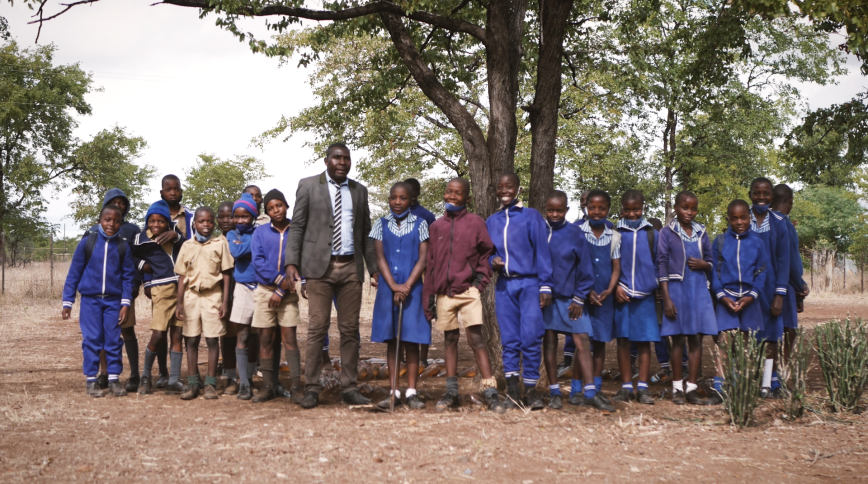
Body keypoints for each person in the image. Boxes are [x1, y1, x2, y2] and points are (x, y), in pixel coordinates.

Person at [280, 143, 380, 409]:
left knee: (350, 330)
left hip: (350, 267)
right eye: (337, 157)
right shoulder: (308, 185)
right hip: (318, 269)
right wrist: (291, 262)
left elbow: (366, 233)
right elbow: (297, 226)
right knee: (317, 328)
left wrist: (374, 269)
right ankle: (312, 388)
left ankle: (349, 387)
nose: (342, 162)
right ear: (326, 161)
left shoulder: (359, 191)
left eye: (347, 158)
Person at [422, 177, 504, 413]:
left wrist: (478, 284)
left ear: (467, 198)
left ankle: (490, 390)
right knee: (449, 339)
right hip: (443, 293)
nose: (452, 197)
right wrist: (429, 296)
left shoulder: (476, 223)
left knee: (476, 338)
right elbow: (431, 264)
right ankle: (451, 392)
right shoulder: (436, 226)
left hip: (468, 291)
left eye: (458, 194)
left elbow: (486, 254)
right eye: (449, 192)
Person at [541, 191, 614, 412]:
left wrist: (579, 298)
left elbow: (585, 268)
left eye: (559, 210)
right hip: (548, 299)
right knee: (550, 344)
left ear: (567, 211)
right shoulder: (540, 231)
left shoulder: (575, 232)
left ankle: (589, 391)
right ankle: (554, 392)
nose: (554, 214)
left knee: (583, 341)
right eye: (551, 210)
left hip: (572, 300)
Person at [486, 173, 553, 410]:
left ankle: (532, 391)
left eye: (509, 187)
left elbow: (543, 252)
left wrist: (545, 286)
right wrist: (493, 260)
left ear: (518, 189)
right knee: (510, 339)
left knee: (532, 337)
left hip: (530, 284)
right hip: (505, 286)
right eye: (500, 187)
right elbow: (487, 253)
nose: (504, 190)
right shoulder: (492, 221)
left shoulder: (531, 216)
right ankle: (513, 390)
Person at [62, 204, 136, 397]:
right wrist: (67, 302)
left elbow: (128, 277)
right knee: (92, 340)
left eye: (116, 221)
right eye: (107, 220)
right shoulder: (87, 243)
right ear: (99, 221)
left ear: (121, 223)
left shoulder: (122, 246)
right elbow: (74, 273)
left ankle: (113, 379)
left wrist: (125, 304)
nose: (111, 224)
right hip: (90, 301)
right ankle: (91, 380)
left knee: (113, 341)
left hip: (113, 302)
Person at [370, 182, 430, 410]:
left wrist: (406, 286)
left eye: (403, 198)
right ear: (388, 199)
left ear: (411, 200)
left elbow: (423, 258)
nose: (397, 202)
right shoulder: (380, 224)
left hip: (413, 289)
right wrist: (394, 286)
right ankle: (393, 390)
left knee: (411, 340)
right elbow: (380, 257)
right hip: (388, 289)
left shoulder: (421, 224)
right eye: (393, 197)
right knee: (393, 340)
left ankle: (412, 391)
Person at [709, 199, 770, 405]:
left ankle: (742, 387)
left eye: (743, 217)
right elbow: (713, 273)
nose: (739, 222)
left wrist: (751, 296)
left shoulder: (758, 243)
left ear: (750, 218)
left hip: (750, 300)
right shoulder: (719, 241)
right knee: (723, 343)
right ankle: (720, 388)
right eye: (734, 218)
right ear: (728, 219)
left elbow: (762, 272)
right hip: (725, 297)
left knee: (746, 345)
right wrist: (721, 296)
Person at [657, 191, 716, 405]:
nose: (689, 212)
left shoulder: (702, 232)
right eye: (684, 207)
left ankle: (691, 387)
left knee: (696, 339)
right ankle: (676, 388)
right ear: (676, 207)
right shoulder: (667, 232)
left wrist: (705, 265)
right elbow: (661, 263)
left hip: (699, 290)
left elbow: (710, 260)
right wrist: (666, 297)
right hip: (677, 291)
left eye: (693, 208)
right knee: (678, 340)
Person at [84, 189, 142, 392]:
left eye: (122, 203)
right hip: (100, 294)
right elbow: (84, 263)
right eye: (114, 202)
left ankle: (134, 375)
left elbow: (137, 261)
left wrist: (134, 287)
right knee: (101, 334)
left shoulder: (133, 230)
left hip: (125, 291)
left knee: (126, 330)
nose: (119, 206)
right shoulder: (92, 232)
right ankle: (104, 373)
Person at [175, 207, 234, 400]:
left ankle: (210, 384)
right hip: (191, 297)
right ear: (195, 224)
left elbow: (226, 275)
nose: (206, 225)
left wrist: (225, 302)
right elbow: (182, 277)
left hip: (213, 296)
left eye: (209, 221)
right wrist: (179, 302)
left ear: (214, 223)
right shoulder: (187, 246)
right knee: (191, 339)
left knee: (212, 339)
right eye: (201, 221)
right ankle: (193, 383)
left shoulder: (220, 244)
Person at [252, 189, 302, 403]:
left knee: (289, 338)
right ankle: (268, 386)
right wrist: (278, 281)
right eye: (270, 208)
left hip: (288, 292)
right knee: (265, 338)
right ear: (267, 212)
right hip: (265, 291)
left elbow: (300, 259)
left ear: (286, 206)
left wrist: (282, 290)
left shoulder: (297, 230)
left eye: (279, 206)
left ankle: (297, 386)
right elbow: (258, 261)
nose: (275, 210)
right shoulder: (260, 232)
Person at [131, 200, 186, 395]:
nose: (156, 225)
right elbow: (131, 255)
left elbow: (187, 247)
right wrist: (142, 268)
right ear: (147, 222)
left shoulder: (175, 235)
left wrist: (176, 235)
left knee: (177, 334)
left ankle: (174, 379)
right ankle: (146, 377)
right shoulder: (141, 239)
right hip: (161, 290)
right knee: (158, 334)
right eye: (152, 221)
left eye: (160, 221)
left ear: (167, 222)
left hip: (180, 288)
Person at [612, 190, 659, 405]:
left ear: (643, 208)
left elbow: (660, 262)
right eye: (628, 209)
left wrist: (653, 283)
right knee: (623, 341)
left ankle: (643, 387)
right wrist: (615, 288)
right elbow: (608, 263)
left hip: (645, 296)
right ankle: (624, 387)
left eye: (636, 209)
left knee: (643, 343)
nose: (632, 214)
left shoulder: (652, 233)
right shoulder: (614, 232)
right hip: (622, 295)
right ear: (621, 209)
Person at [748, 177, 790, 398]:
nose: (761, 197)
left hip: (771, 287)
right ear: (750, 195)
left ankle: (769, 382)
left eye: (766, 194)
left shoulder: (779, 222)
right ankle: (752, 380)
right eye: (757, 193)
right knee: (751, 335)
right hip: (748, 288)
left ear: (772, 197)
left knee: (771, 337)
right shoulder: (741, 218)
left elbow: (784, 261)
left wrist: (780, 294)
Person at [579, 190, 621, 405]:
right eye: (592, 207)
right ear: (586, 208)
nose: (596, 212)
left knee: (601, 342)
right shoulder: (578, 232)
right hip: (582, 298)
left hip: (605, 298)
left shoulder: (614, 236)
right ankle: (577, 389)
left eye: (602, 208)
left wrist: (609, 290)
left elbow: (616, 268)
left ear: (608, 210)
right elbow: (574, 264)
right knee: (581, 342)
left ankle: (595, 387)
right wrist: (585, 291)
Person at [227, 193, 261, 400]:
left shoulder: (261, 232)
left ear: (253, 216)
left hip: (262, 287)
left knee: (262, 335)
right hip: (242, 287)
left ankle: (252, 377)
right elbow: (236, 253)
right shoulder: (232, 235)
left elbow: (258, 250)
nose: (240, 221)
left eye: (245, 216)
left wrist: (246, 246)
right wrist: (255, 247)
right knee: (242, 334)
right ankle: (244, 384)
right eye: (236, 217)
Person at [404, 177, 436, 368]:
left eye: (411, 193)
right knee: (401, 309)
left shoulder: (426, 215)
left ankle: (423, 356)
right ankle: (401, 356)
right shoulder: (397, 214)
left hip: (425, 268)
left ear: (416, 194)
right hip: (403, 267)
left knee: (425, 309)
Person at [217, 202, 239, 394]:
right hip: (224, 294)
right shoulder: (216, 242)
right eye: (222, 217)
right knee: (227, 336)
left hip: (243, 291)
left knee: (248, 336)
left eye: (230, 216)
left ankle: (248, 376)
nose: (226, 220)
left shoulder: (242, 238)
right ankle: (230, 376)